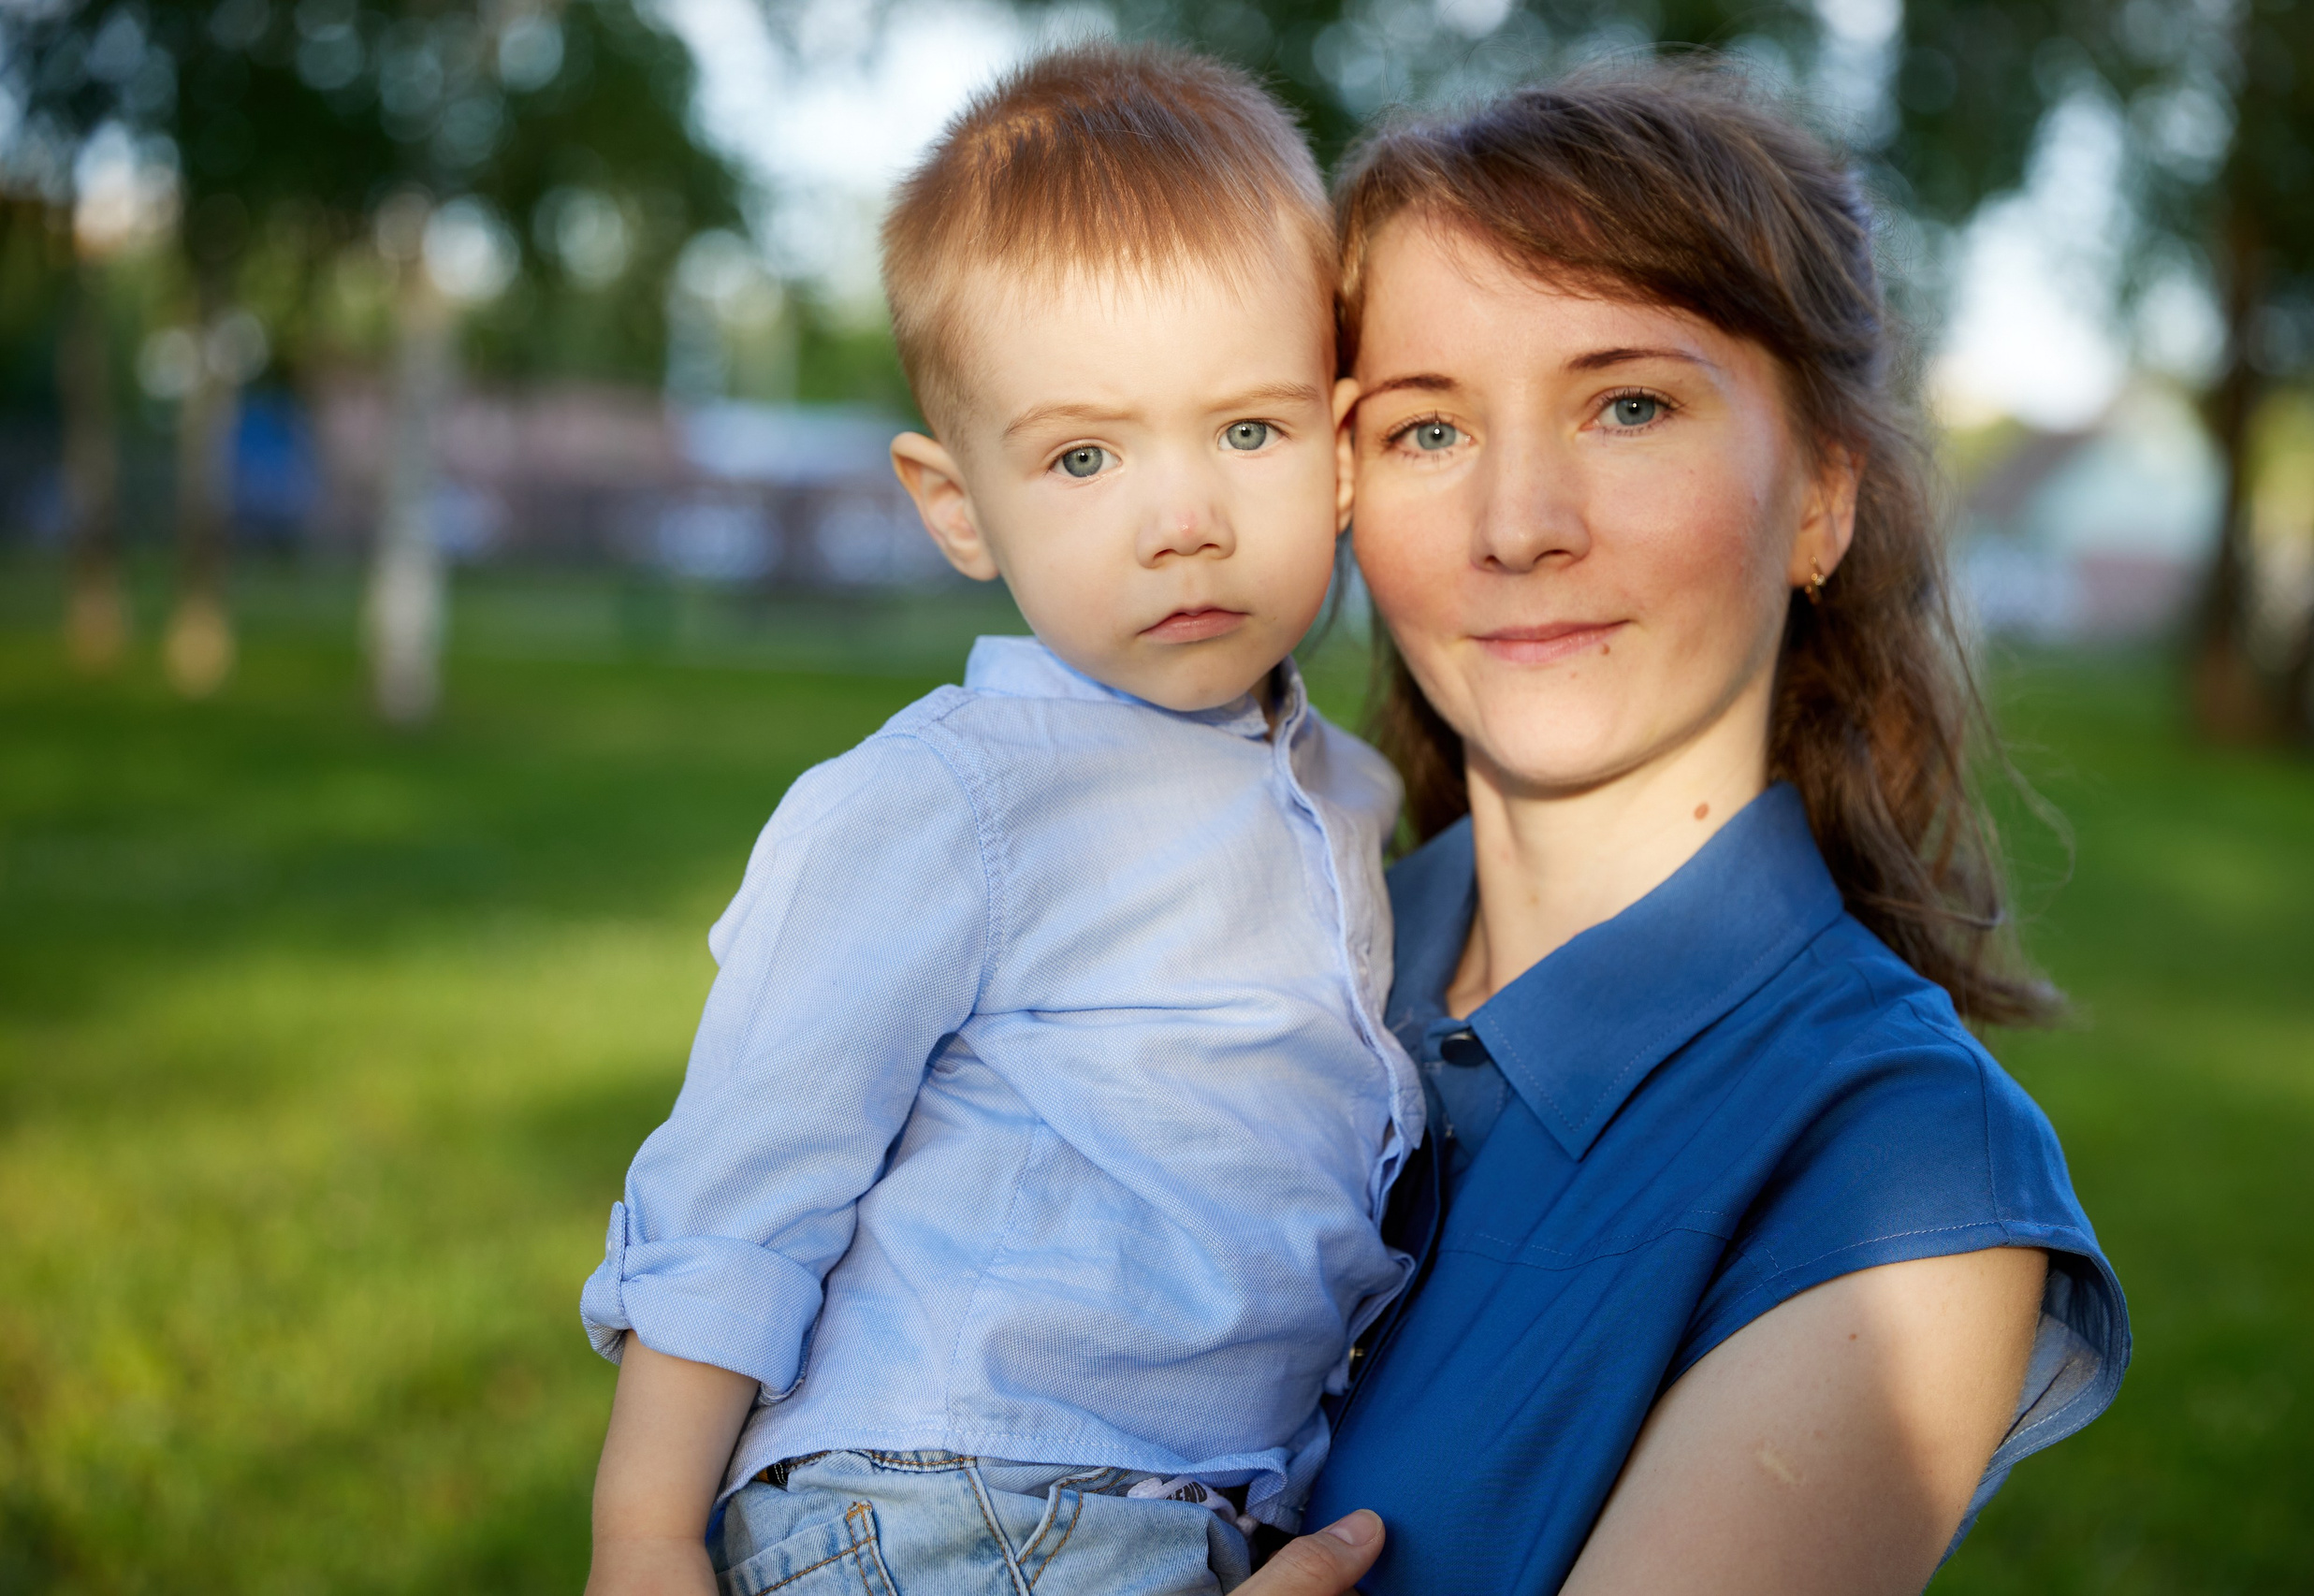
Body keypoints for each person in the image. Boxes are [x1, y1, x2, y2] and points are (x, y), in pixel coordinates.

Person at [1266, 65, 2131, 1596]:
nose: (1518, 522)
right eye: (1425, 429)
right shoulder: (1248, 957)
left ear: (1822, 497)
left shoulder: (1902, 1172)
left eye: (1630, 404)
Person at [576, 47, 1426, 1596]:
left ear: (1344, 442)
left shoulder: (1348, 794)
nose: (1186, 517)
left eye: (1249, 430)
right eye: (1084, 456)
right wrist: (642, 1536)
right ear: (957, 503)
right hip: (966, 1494)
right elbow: (749, 1169)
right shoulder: (956, 797)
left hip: (1175, 1505)